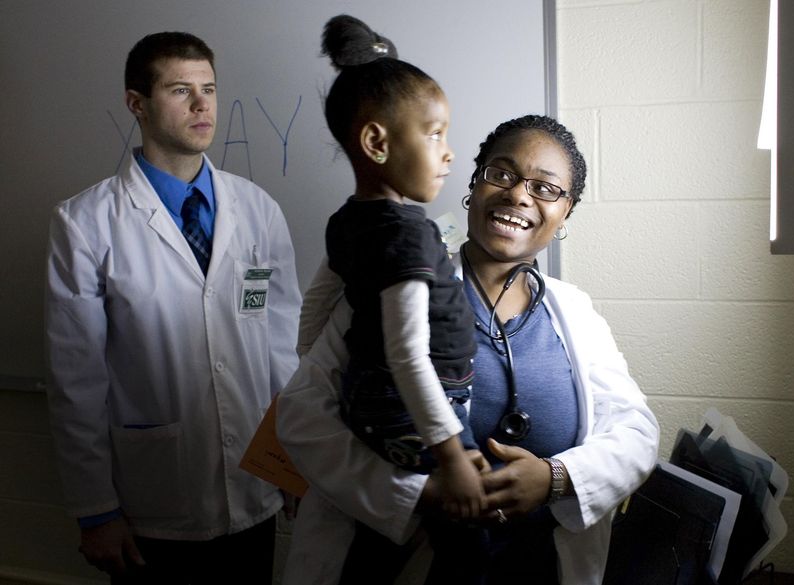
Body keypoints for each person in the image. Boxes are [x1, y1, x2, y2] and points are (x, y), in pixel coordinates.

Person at [276, 113, 660, 585]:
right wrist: (417, 494)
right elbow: (302, 413)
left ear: (566, 211)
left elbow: (636, 432)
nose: (519, 194)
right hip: (394, 561)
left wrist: (554, 478)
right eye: (502, 173)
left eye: (545, 188)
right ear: (475, 184)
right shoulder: (397, 287)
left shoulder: (575, 312)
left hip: (537, 567)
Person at [44, 31, 301, 584]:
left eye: (208, 88)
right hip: (152, 503)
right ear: (137, 103)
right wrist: (96, 511)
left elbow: (282, 350)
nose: (203, 104)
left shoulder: (258, 209)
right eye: (181, 89)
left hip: (257, 486)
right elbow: (77, 380)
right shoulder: (85, 223)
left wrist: (294, 465)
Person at [302, 14, 484, 520]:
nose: (449, 153)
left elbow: (316, 304)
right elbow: (406, 354)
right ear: (377, 144)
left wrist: (308, 370)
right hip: (413, 406)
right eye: (435, 134)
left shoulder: (348, 221)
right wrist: (451, 454)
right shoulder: (406, 231)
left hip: (371, 395)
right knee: (470, 531)